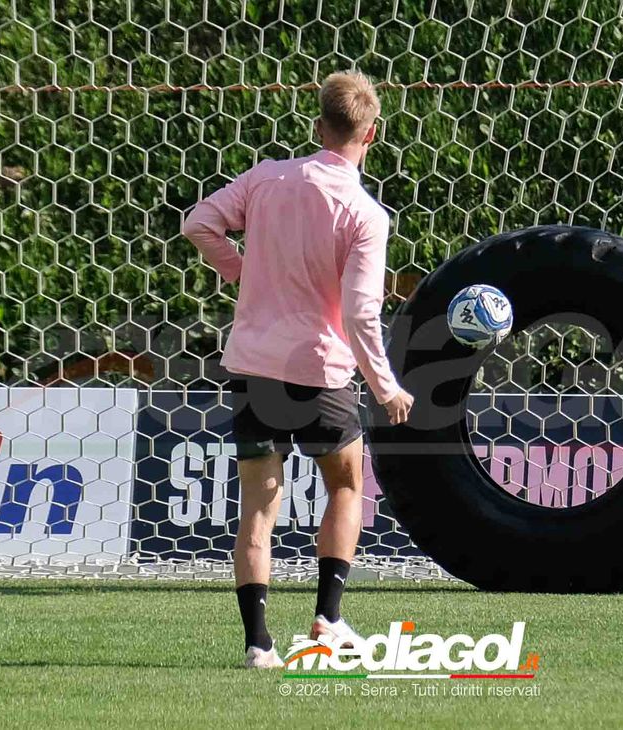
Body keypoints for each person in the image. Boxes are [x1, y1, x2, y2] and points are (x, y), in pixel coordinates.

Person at [182, 70, 414, 669]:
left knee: (258, 505)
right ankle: (328, 619)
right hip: (320, 369)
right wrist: (386, 387)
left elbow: (197, 223)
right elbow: (363, 316)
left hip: (255, 365)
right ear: (373, 133)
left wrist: (238, 269)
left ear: (318, 125)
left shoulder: (268, 177)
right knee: (345, 484)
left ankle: (258, 644)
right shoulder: (365, 213)